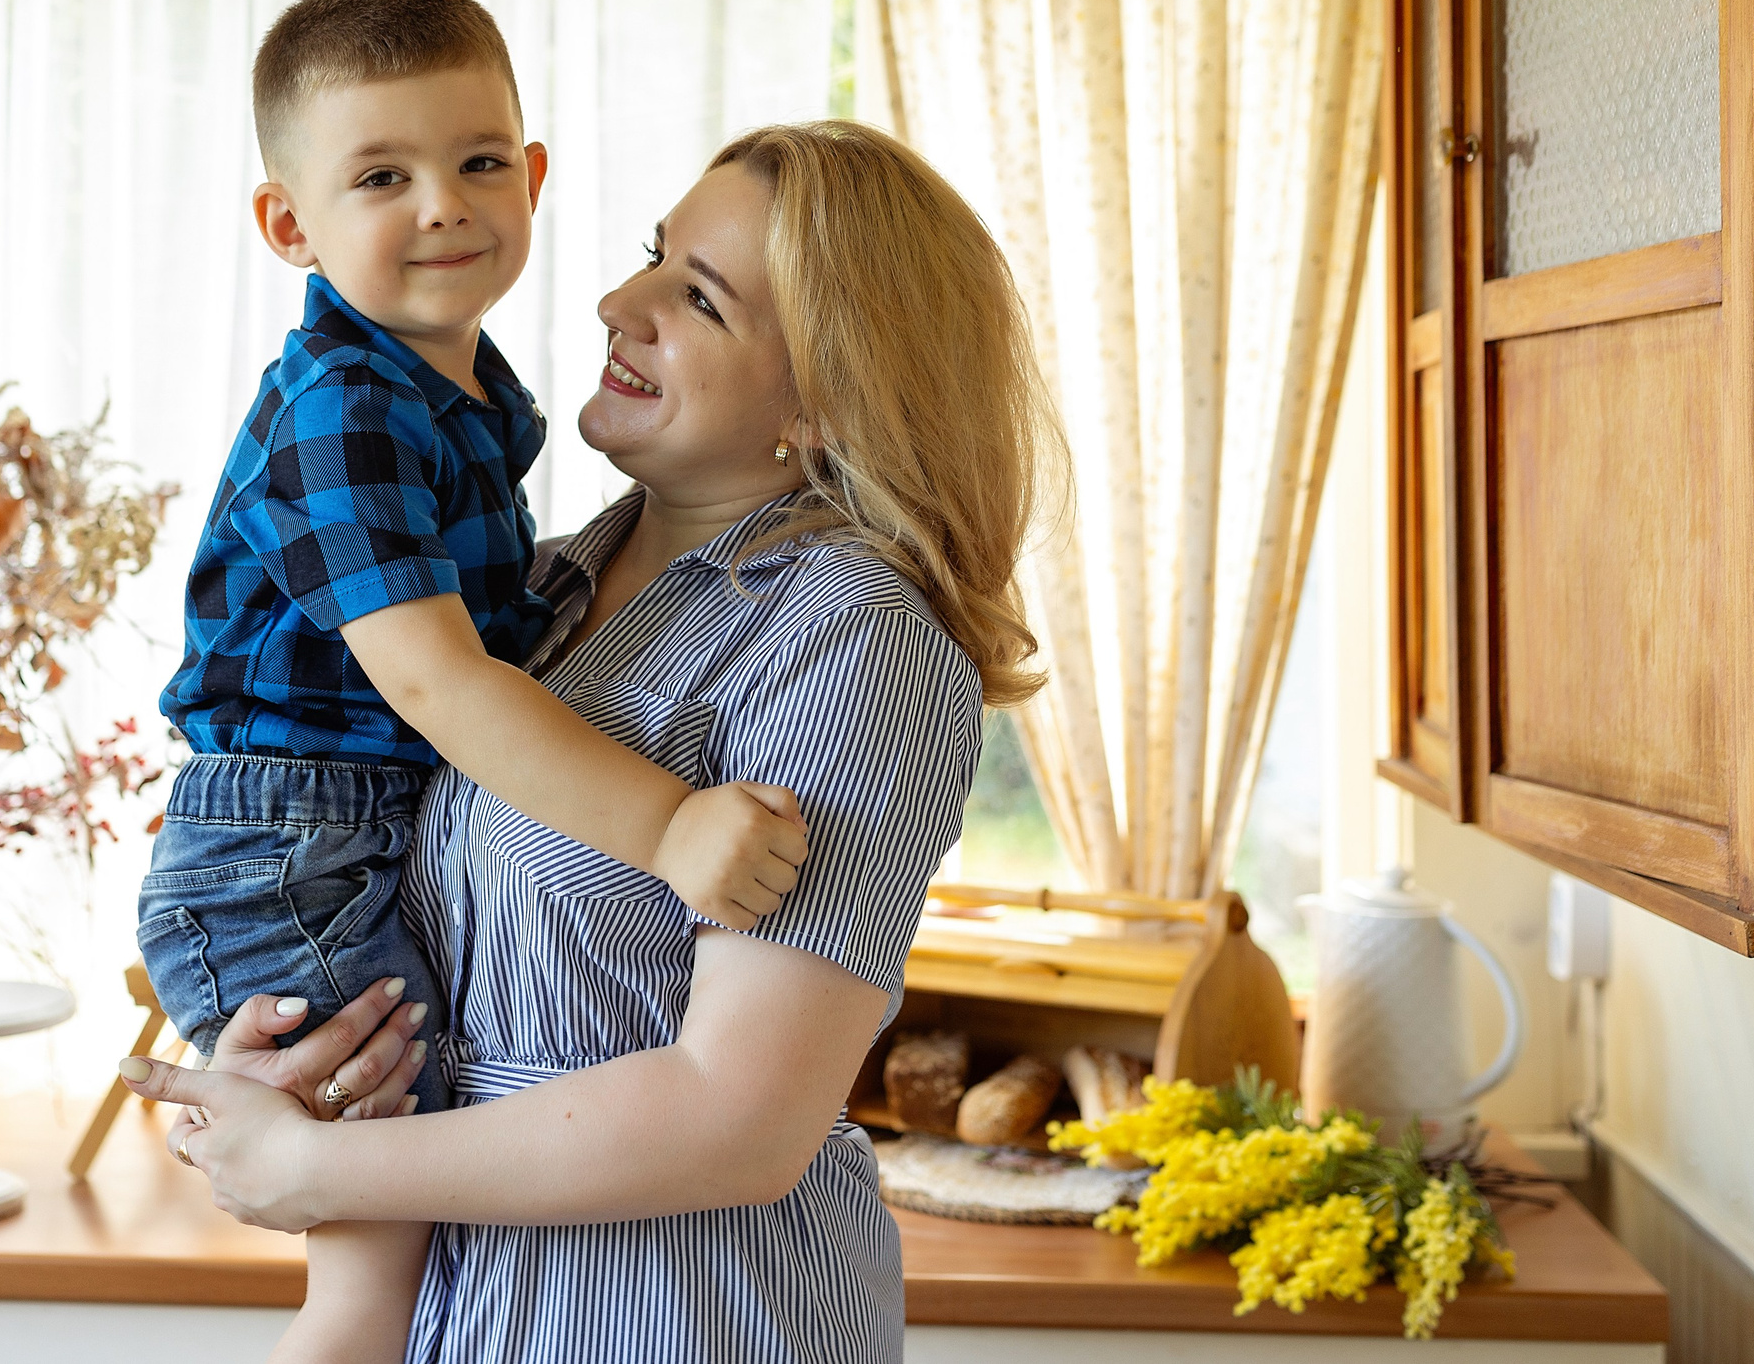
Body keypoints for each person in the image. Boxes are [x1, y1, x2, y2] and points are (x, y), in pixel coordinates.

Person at [124, 120, 1063, 1362]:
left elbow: (741, 1118)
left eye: (700, 298)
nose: (621, 302)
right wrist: (296, 1077)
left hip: (679, 1321)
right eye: (650, 257)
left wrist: (322, 1170)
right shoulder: (537, 588)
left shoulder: (854, 640)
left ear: (831, 397)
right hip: (465, 1317)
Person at [142, 0, 810, 1364]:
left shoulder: (460, 385)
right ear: (290, 223)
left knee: (396, 1181)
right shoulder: (343, 407)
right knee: (367, 1260)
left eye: (478, 161)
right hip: (294, 840)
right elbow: (442, 683)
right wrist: (672, 821)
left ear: (534, 173)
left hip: (350, 818)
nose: (442, 202)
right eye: (380, 174)